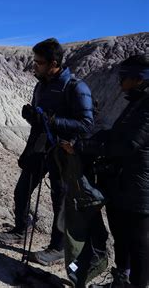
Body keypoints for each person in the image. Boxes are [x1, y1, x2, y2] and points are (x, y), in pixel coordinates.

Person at [0, 38, 94, 266]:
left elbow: (86, 124)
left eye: (38, 62)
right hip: (40, 147)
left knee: (60, 200)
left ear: (54, 63)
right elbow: (41, 121)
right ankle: (21, 229)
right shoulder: (41, 85)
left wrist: (53, 120)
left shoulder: (76, 87)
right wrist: (32, 117)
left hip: (64, 151)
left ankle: (57, 248)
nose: (34, 66)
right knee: (22, 190)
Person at [63, 54, 149, 288]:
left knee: (139, 244)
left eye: (123, 77)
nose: (120, 83)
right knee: (121, 238)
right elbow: (115, 135)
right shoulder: (137, 103)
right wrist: (89, 139)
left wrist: (83, 146)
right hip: (123, 184)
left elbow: (128, 144)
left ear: (138, 78)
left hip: (140, 190)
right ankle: (121, 281)